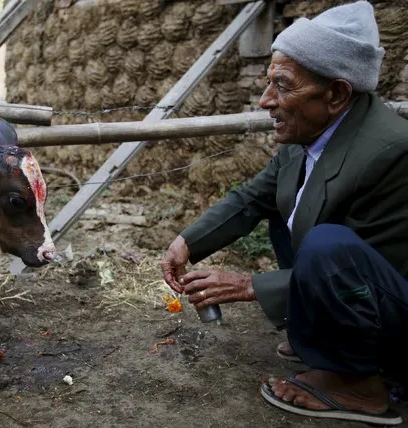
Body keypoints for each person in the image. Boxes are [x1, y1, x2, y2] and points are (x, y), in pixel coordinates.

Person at [160, 1, 408, 425]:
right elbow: (252, 197)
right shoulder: (310, 136)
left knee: (327, 244)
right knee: (288, 206)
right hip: (364, 292)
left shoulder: (391, 153)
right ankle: (319, 336)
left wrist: (249, 284)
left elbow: (370, 271)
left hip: (397, 313)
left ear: (336, 94)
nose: (265, 100)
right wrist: (188, 241)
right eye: (267, 83)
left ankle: (362, 387)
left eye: (282, 85)